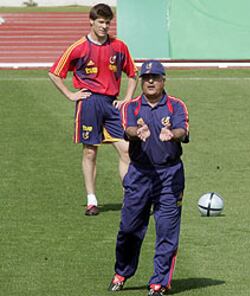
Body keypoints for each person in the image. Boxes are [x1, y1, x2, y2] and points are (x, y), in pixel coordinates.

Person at [108, 60, 189, 296]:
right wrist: (137, 133)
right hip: (140, 174)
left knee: (166, 230)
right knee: (129, 229)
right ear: (142, 81)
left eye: (155, 77)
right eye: (146, 78)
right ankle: (122, 272)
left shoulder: (176, 106)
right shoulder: (131, 107)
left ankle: (159, 283)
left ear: (164, 80)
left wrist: (172, 135)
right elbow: (128, 129)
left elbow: (183, 130)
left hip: (170, 176)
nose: (151, 81)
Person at [48, 3, 138, 215]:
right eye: (101, 22)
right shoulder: (78, 47)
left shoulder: (119, 47)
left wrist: (126, 98)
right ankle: (91, 200)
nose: (105, 26)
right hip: (89, 103)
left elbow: (133, 74)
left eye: (108, 22)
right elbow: (54, 73)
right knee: (90, 151)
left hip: (111, 103)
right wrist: (70, 95)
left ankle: (131, 198)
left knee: (126, 151)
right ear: (91, 21)